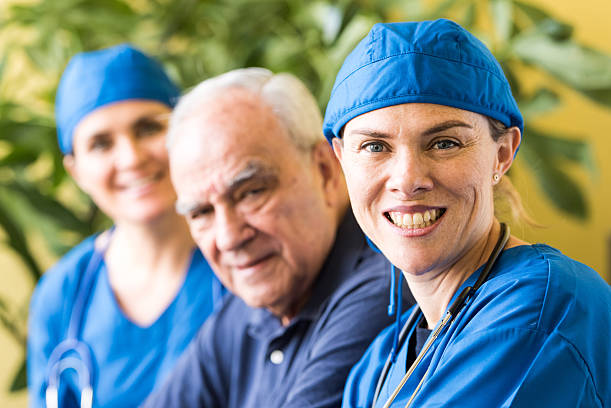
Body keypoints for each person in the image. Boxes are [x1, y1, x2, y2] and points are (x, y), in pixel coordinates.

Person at [323, 19, 611, 408]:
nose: (408, 180)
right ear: (341, 160)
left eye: (444, 142)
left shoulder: (544, 312)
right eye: (375, 147)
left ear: (502, 153)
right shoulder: (375, 368)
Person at [143, 67, 414, 408]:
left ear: (325, 170)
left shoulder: (385, 287)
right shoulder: (247, 309)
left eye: (251, 192)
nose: (228, 238)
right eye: (202, 213)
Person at [27, 44, 224, 408]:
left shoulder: (240, 256)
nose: (131, 158)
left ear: (183, 131)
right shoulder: (61, 295)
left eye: (148, 128)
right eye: (101, 144)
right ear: (76, 170)